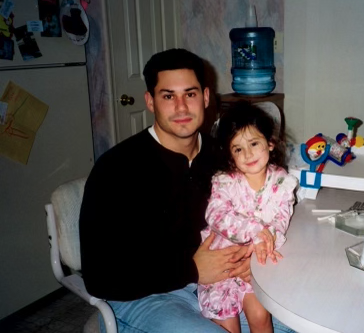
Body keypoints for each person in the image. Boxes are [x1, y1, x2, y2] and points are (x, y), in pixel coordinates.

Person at [79, 48, 296, 333]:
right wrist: (191, 270)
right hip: (142, 298)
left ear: (206, 97)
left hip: (221, 282)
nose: (181, 108)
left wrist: (249, 257)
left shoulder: (225, 156)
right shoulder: (116, 169)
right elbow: (99, 277)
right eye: (168, 96)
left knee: (302, 323)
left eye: (190, 94)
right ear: (150, 101)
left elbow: (254, 210)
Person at [198, 103, 298, 333]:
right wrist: (254, 230)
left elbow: (281, 220)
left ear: (270, 143)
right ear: (230, 155)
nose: (248, 154)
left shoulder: (283, 182)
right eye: (238, 149)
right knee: (226, 324)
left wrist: (266, 238)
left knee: (261, 316)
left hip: (256, 263)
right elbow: (216, 215)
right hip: (222, 263)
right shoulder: (225, 181)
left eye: (254, 144)